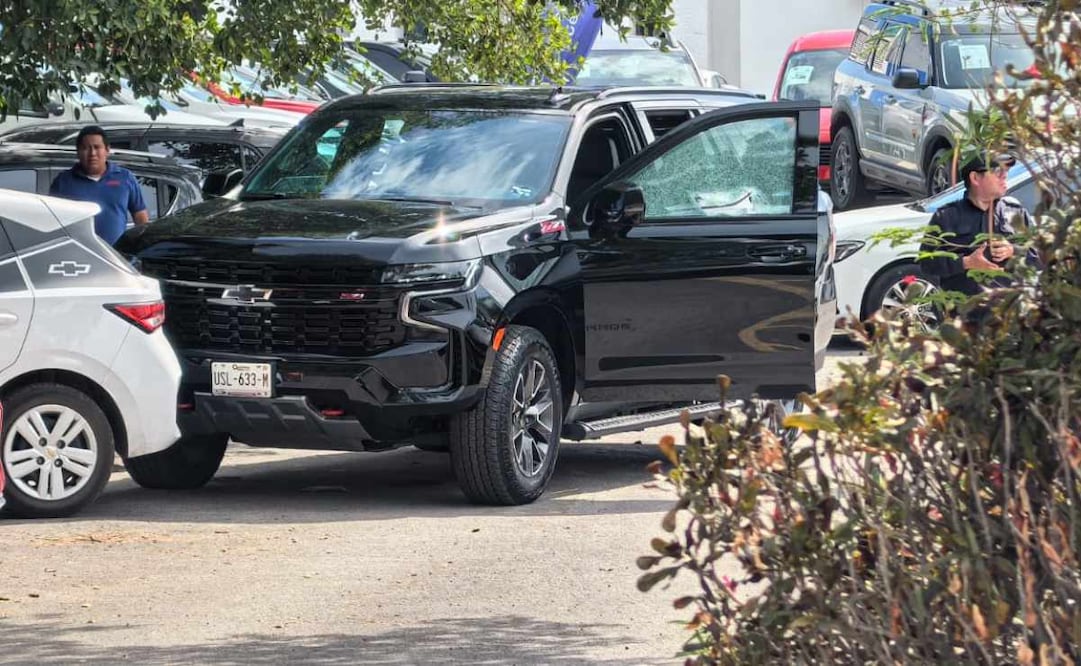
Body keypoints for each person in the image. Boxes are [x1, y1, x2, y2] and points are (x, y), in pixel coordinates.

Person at [920, 152, 1034, 296]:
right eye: (998, 171)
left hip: (1008, 309)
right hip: (963, 311)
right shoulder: (947, 216)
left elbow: (1039, 254)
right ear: (975, 178)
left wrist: (1013, 250)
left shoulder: (1015, 211)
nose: (1004, 176)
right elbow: (926, 262)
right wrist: (966, 262)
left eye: (1006, 171)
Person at [49, 125, 149, 244]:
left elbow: (140, 217)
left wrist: (140, 246)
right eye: (86, 148)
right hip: (78, 256)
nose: (92, 153)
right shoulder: (63, 182)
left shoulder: (125, 178)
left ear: (107, 150)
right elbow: (52, 223)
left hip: (117, 256)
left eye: (97, 147)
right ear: (78, 152)